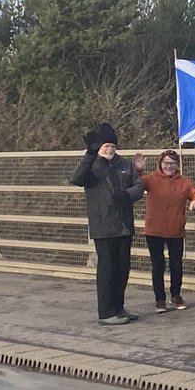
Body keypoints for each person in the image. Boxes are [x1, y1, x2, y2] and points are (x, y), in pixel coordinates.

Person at [70, 122, 144, 325]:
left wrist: (127, 195)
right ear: (99, 147)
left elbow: (139, 185)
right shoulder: (92, 166)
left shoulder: (125, 165)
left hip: (124, 225)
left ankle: (119, 307)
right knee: (107, 269)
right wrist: (90, 154)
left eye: (112, 146)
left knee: (122, 269)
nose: (110, 150)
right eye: (106, 146)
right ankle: (106, 312)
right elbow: (77, 179)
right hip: (103, 226)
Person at [138, 149, 195, 313]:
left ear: (177, 165)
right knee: (158, 264)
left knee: (176, 264)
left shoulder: (184, 182)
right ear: (160, 164)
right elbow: (134, 183)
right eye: (166, 163)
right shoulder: (150, 179)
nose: (169, 166)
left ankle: (176, 295)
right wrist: (138, 170)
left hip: (176, 230)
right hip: (154, 230)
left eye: (172, 164)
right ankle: (159, 299)